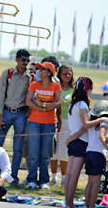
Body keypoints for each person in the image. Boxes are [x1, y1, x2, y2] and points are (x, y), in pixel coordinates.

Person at [0, 49, 31, 185]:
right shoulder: (8, 74)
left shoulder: (29, 77)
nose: (25, 63)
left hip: (21, 114)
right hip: (6, 112)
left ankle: (13, 176)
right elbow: (0, 95)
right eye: (23, 60)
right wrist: (0, 115)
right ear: (16, 60)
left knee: (18, 148)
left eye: (27, 60)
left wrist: (28, 111)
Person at [25, 61, 62, 189]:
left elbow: (58, 103)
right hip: (34, 122)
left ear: (49, 73)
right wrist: (42, 107)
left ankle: (43, 181)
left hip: (49, 123)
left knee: (45, 154)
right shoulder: (34, 84)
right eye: (39, 69)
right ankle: (32, 180)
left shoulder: (56, 86)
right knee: (33, 153)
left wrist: (43, 104)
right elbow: (28, 101)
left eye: (42, 69)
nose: (40, 71)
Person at [63, 77, 92, 208]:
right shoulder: (82, 105)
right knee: (74, 175)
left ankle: (67, 201)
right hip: (80, 141)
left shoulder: (73, 104)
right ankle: (70, 203)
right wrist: (100, 120)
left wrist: (70, 138)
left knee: (69, 174)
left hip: (73, 141)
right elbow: (85, 125)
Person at [51, 63, 74, 185]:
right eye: (64, 73)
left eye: (69, 73)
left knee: (64, 151)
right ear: (60, 74)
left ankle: (64, 177)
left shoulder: (74, 90)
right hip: (54, 120)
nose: (67, 75)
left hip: (68, 122)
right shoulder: (55, 86)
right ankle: (53, 176)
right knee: (53, 150)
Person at [83, 101, 108, 208]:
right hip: (98, 154)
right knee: (96, 183)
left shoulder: (91, 122)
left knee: (90, 182)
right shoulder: (104, 121)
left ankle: (87, 204)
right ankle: (92, 205)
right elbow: (101, 136)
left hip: (88, 153)